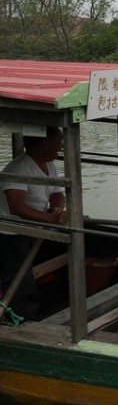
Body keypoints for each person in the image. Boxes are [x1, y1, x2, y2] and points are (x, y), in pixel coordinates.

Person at [1, 127, 66, 321]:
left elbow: (57, 193)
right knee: (20, 285)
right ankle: (21, 323)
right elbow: (16, 207)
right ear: (46, 144)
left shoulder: (49, 166)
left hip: (33, 228)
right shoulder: (18, 168)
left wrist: (56, 210)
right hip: (9, 234)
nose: (61, 147)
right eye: (59, 141)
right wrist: (51, 219)